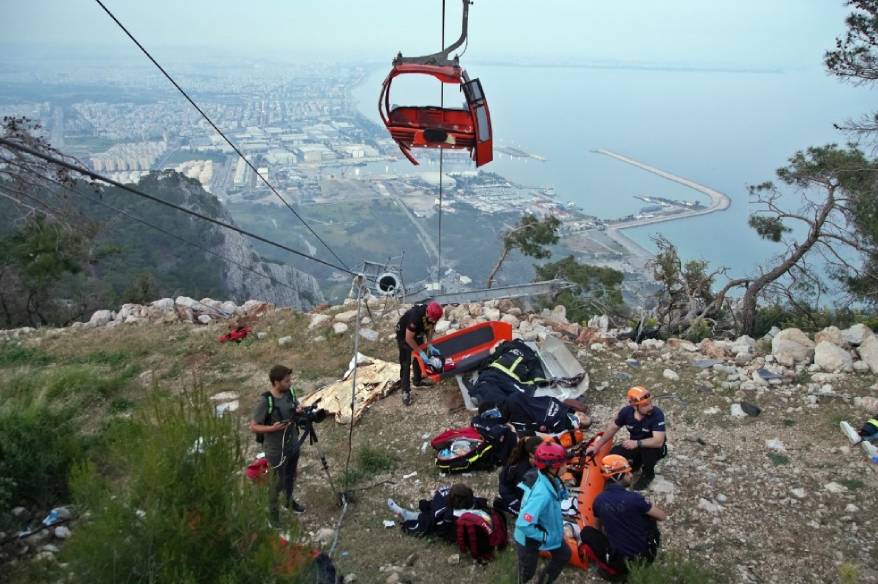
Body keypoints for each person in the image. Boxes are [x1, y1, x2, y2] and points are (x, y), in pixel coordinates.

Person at [579, 454, 666, 580]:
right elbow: (662, 516)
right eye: (627, 473)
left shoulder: (598, 500)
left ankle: (611, 569)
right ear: (618, 476)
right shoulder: (635, 499)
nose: (631, 475)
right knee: (649, 517)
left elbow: (596, 527)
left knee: (587, 532)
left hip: (618, 561)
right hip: (645, 558)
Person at [249, 365, 305, 524]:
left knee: (290, 475)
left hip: (293, 442)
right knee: (277, 482)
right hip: (275, 449)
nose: (290, 383)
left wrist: (299, 408)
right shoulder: (266, 401)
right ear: (276, 382)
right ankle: (273, 516)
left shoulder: (290, 392)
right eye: (286, 381)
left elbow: (295, 404)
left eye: (290, 380)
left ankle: (289, 502)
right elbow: (253, 426)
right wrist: (271, 428)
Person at [587, 386, 667, 490]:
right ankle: (628, 469)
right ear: (634, 406)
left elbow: (658, 441)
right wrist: (597, 446)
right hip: (636, 446)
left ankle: (648, 474)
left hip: (652, 447)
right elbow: (612, 428)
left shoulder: (657, 414)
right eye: (645, 405)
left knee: (649, 451)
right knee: (614, 453)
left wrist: (637, 443)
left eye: (650, 403)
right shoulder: (626, 412)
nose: (650, 407)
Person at [514, 442, 571, 584]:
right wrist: (544, 537)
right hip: (528, 539)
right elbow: (523, 523)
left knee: (564, 554)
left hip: (549, 529)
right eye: (563, 464)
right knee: (527, 571)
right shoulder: (542, 494)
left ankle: (543, 580)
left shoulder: (550, 477)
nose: (566, 466)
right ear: (552, 467)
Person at [387, 483, 488, 541]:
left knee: (427, 517)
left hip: (452, 528)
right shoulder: (475, 503)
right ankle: (408, 513)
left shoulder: (450, 513)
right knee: (432, 508)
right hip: (456, 516)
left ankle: (405, 513)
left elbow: (440, 529)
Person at [395, 301, 443, 406]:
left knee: (419, 358)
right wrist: (420, 352)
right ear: (427, 313)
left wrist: (430, 344)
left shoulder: (433, 316)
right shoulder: (415, 317)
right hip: (404, 335)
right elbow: (409, 338)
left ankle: (417, 380)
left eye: (436, 320)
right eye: (433, 319)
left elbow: (430, 329)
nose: (434, 321)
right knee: (406, 362)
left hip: (418, 333)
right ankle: (405, 391)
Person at [497, 436, 542, 515]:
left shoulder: (526, 458)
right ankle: (501, 505)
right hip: (513, 496)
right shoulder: (522, 472)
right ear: (531, 455)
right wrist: (517, 504)